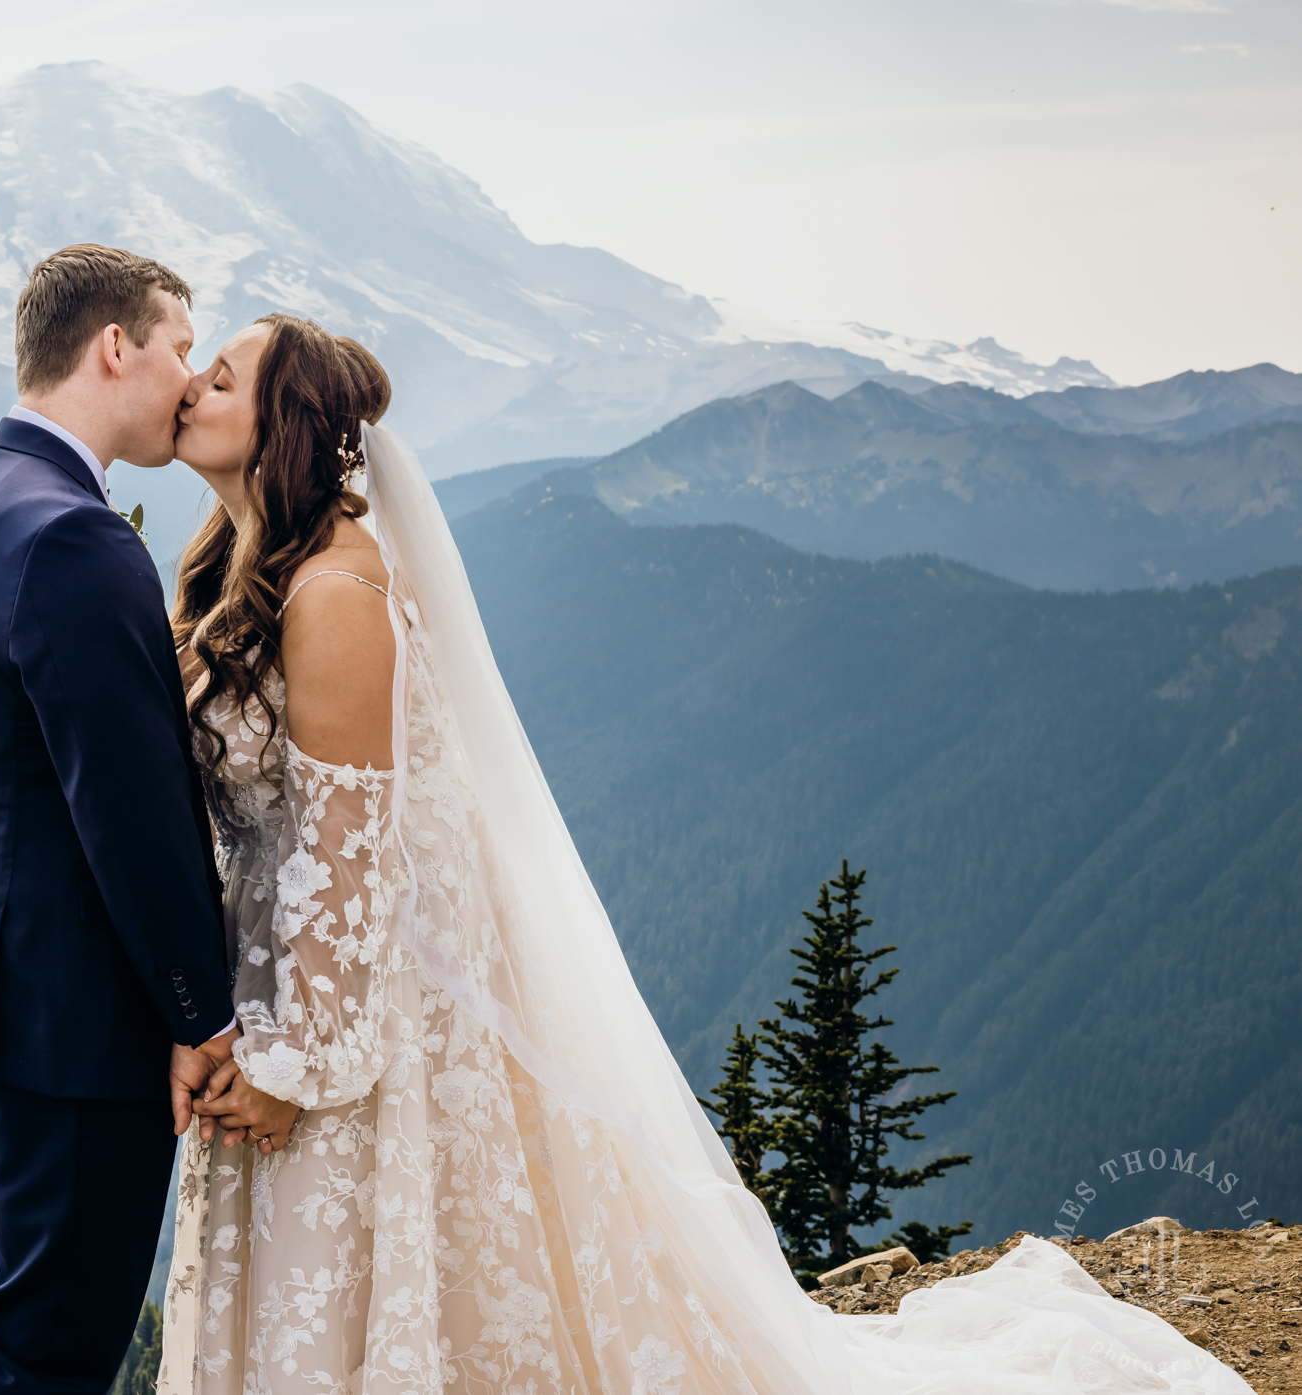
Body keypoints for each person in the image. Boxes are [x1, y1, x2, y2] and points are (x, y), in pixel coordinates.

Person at [156, 312, 1254, 1395]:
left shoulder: (333, 596)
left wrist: (294, 1068)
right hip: (278, 998)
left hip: (342, 1023)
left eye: (222, 375)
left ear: (287, 423)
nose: (194, 386)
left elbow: (350, 869)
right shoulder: (251, 574)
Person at [0, 244, 239, 1395]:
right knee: (50, 1349)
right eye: (181, 350)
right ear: (116, 345)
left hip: (5, 998)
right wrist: (201, 1013)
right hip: (78, 1021)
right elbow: (130, 810)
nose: (188, 382)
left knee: (0, 1321)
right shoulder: (73, 533)